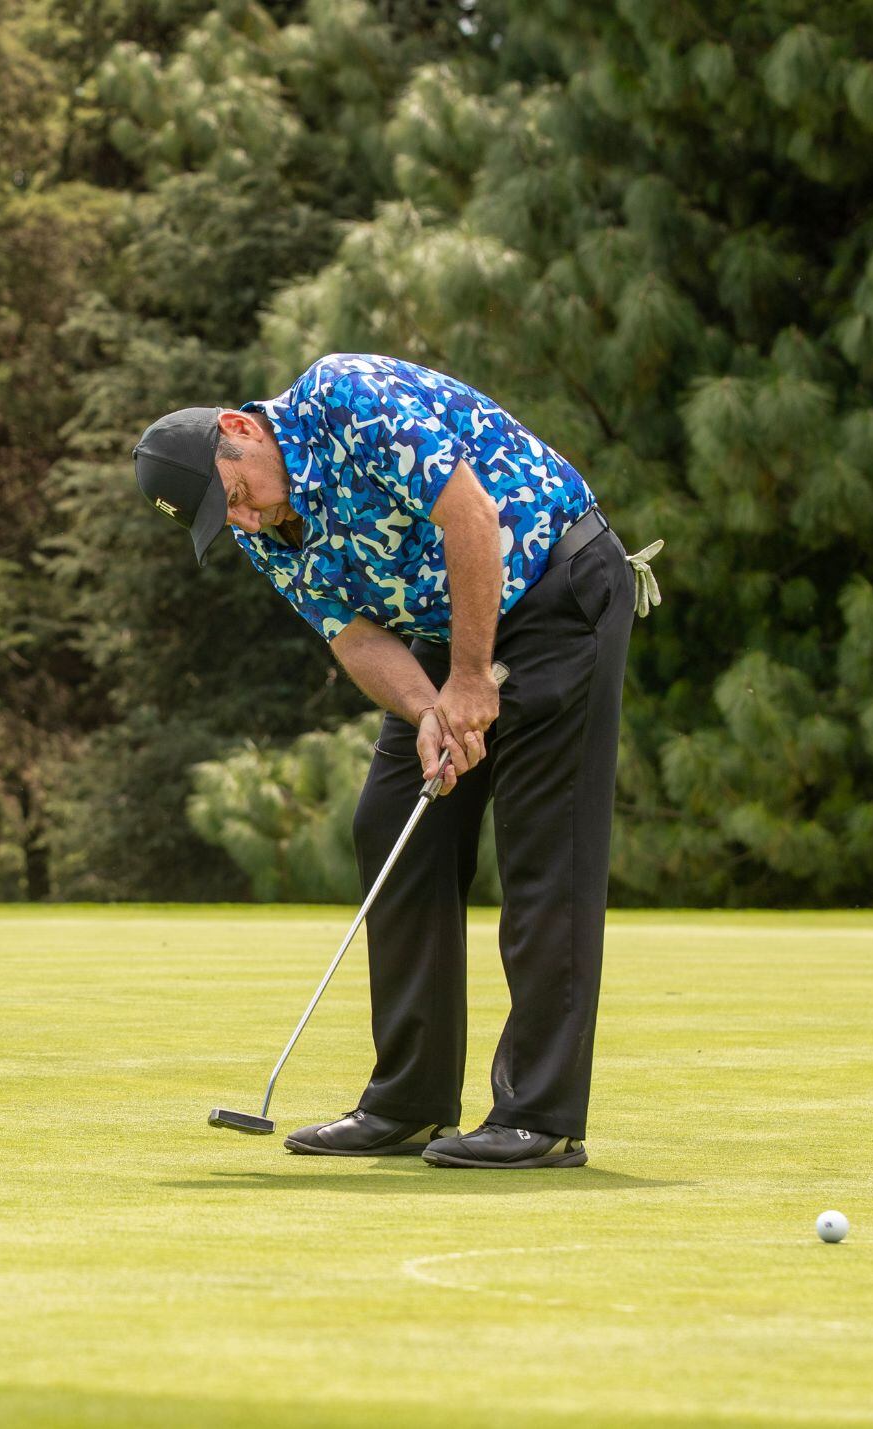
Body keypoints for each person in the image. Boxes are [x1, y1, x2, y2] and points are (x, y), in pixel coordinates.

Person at [134, 353, 658, 1168]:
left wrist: (473, 677)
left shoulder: (347, 399)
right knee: (395, 825)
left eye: (235, 497)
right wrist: (427, 711)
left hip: (558, 584)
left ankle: (542, 1115)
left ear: (238, 431)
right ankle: (410, 1102)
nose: (242, 521)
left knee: (542, 850)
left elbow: (472, 519)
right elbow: (354, 635)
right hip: (451, 631)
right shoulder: (271, 534)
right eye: (223, 518)